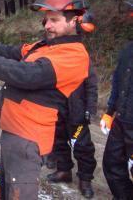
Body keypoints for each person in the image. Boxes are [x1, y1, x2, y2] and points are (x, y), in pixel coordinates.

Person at [0, 0, 94, 199]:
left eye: (55, 20)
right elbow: (11, 52)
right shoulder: (44, 46)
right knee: (5, 192)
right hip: (13, 134)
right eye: (46, 19)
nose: (47, 25)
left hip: (28, 139)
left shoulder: (75, 56)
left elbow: (26, 75)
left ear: (74, 20)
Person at [47, 62, 98, 199]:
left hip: (77, 111)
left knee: (82, 146)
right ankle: (64, 170)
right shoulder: (55, 56)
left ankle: (85, 179)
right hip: (57, 108)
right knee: (58, 142)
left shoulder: (82, 58)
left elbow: (91, 85)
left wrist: (90, 108)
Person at [101, 0, 133, 199]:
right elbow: (118, 81)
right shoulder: (127, 50)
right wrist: (109, 111)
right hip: (122, 120)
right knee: (112, 164)